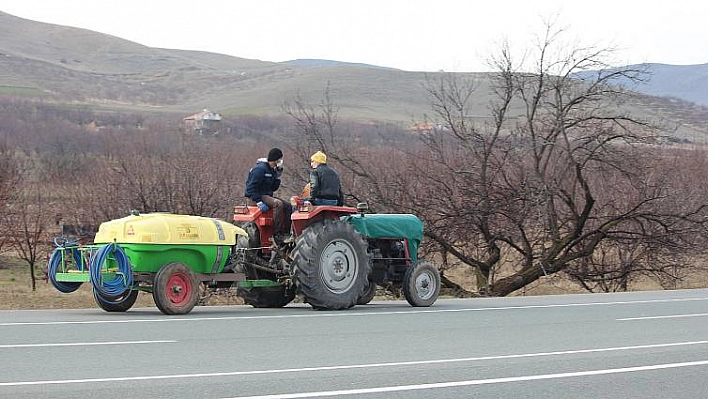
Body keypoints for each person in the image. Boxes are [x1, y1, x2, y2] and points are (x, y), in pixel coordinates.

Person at [244, 148, 291, 240]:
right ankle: (277, 233)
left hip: (266, 196)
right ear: (275, 159)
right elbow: (250, 189)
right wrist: (258, 201)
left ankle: (286, 232)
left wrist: (277, 176)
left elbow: (273, 188)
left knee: (288, 206)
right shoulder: (260, 169)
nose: (281, 161)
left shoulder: (271, 170)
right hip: (257, 196)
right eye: (280, 159)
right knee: (278, 204)